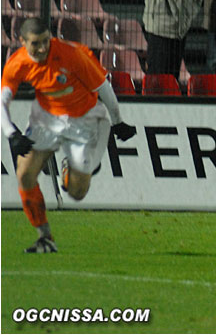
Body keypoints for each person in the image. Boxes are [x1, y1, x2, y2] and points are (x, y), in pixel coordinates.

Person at [1, 18, 136, 253]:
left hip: (82, 119)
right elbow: (2, 101)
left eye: (46, 41)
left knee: (77, 192)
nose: (43, 48)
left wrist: (118, 121)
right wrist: (11, 133)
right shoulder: (16, 63)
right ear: (22, 42)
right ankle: (45, 237)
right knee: (24, 175)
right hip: (47, 118)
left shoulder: (72, 55)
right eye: (36, 44)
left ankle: (68, 171)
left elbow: (103, 87)